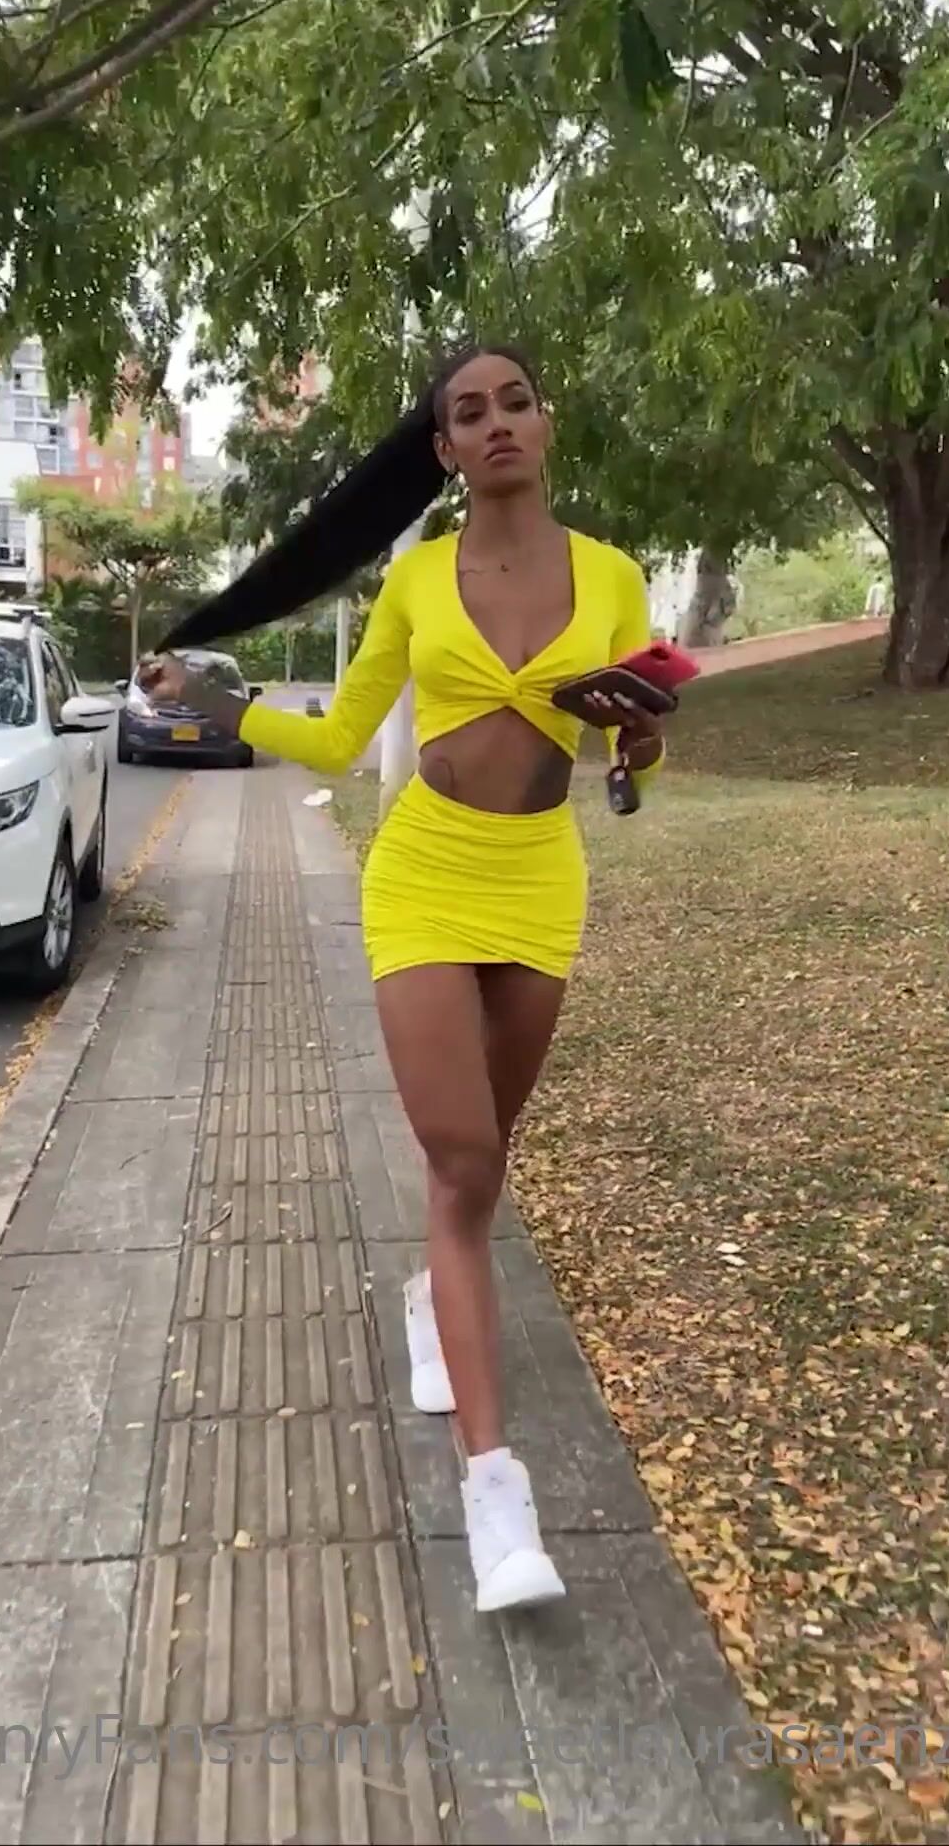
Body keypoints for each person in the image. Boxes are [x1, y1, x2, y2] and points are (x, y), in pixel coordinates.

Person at [139, 345, 666, 1612]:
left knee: (479, 1169)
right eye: (467, 414)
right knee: (462, 1156)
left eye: (514, 403)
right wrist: (216, 702)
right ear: (443, 451)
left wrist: (639, 738)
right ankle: (495, 1494)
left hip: (538, 879)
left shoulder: (611, 575)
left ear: (545, 423)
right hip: (424, 875)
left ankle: (438, 1296)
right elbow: (336, 737)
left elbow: (631, 749)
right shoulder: (417, 577)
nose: (496, 425)